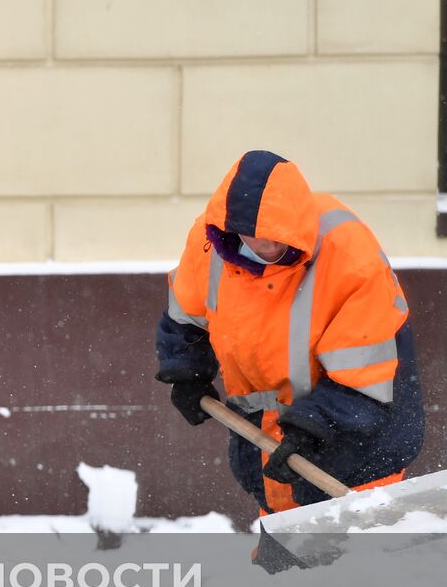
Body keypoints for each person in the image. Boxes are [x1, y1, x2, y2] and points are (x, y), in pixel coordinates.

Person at [155, 150, 424, 515]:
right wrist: (186, 370)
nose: (263, 246)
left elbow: (366, 380)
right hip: (267, 443)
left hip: (356, 456)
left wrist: (313, 428)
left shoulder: (350, 259)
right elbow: (184, 316)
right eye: (251, 236)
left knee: (354, 562)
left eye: (274, 237)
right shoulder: (212, 242)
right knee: (280, 555)